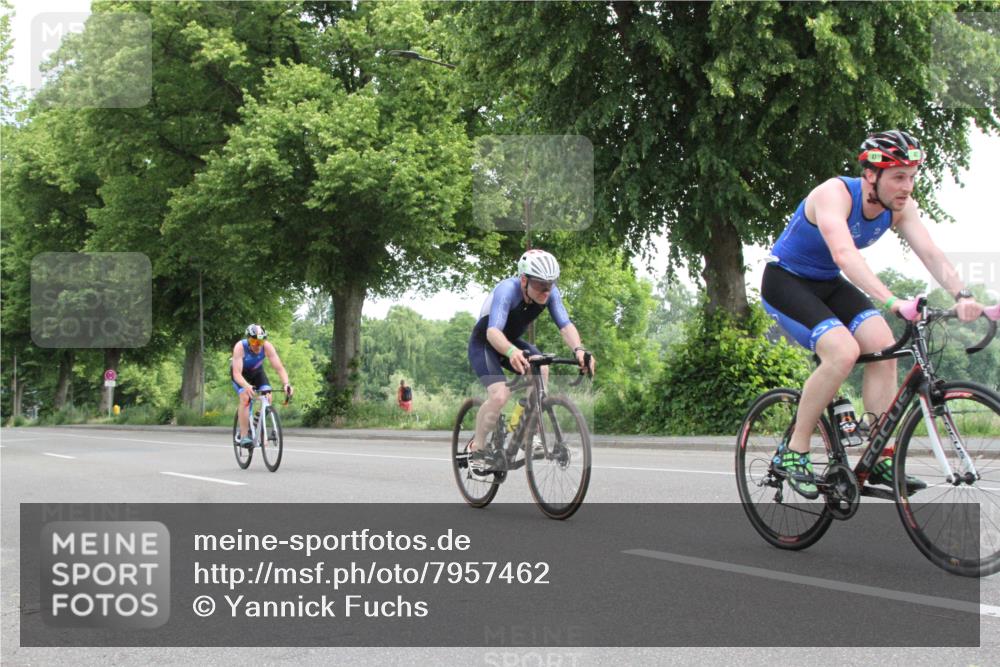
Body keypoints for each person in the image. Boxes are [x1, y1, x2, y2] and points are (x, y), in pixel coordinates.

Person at [762, 130, 985, 499]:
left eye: (911, 176)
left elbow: (930, 252)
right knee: (843, 352)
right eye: (898, 177)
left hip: (828, 283)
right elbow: (844, 255)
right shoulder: (833, 194)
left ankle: (879, 455)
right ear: (871, 175)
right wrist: (892, 300)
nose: (907, 186)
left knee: (884, 345)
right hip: (786, 282)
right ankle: (795, 450)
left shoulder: (900, 207)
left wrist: (962, 295)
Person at [466, 249, 596, 468]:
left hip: (512, 342)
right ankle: (476, 448)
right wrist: (510, 352)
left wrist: (579, 350)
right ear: (524, 280)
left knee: (541, 368)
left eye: (550, 284)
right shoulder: (507, 290)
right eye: (540, 285)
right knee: (499, 396)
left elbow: (565, 326)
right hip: (485, 344)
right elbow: (493, 332)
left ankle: (527, 432)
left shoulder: (550, 293)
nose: (546, 291)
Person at [232, 324, 293, 448]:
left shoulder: (267, 347)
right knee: (245, 398)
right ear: (248, 340)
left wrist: (286, 384)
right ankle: (244, 436)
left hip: (257, 372)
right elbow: (236, 374)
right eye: (254, 341)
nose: (257, 345)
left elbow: (279, 368)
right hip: (241, 375)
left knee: (268, 397)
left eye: (260, 341)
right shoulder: (240, 347)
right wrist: (246, 385)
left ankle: (256, 424)